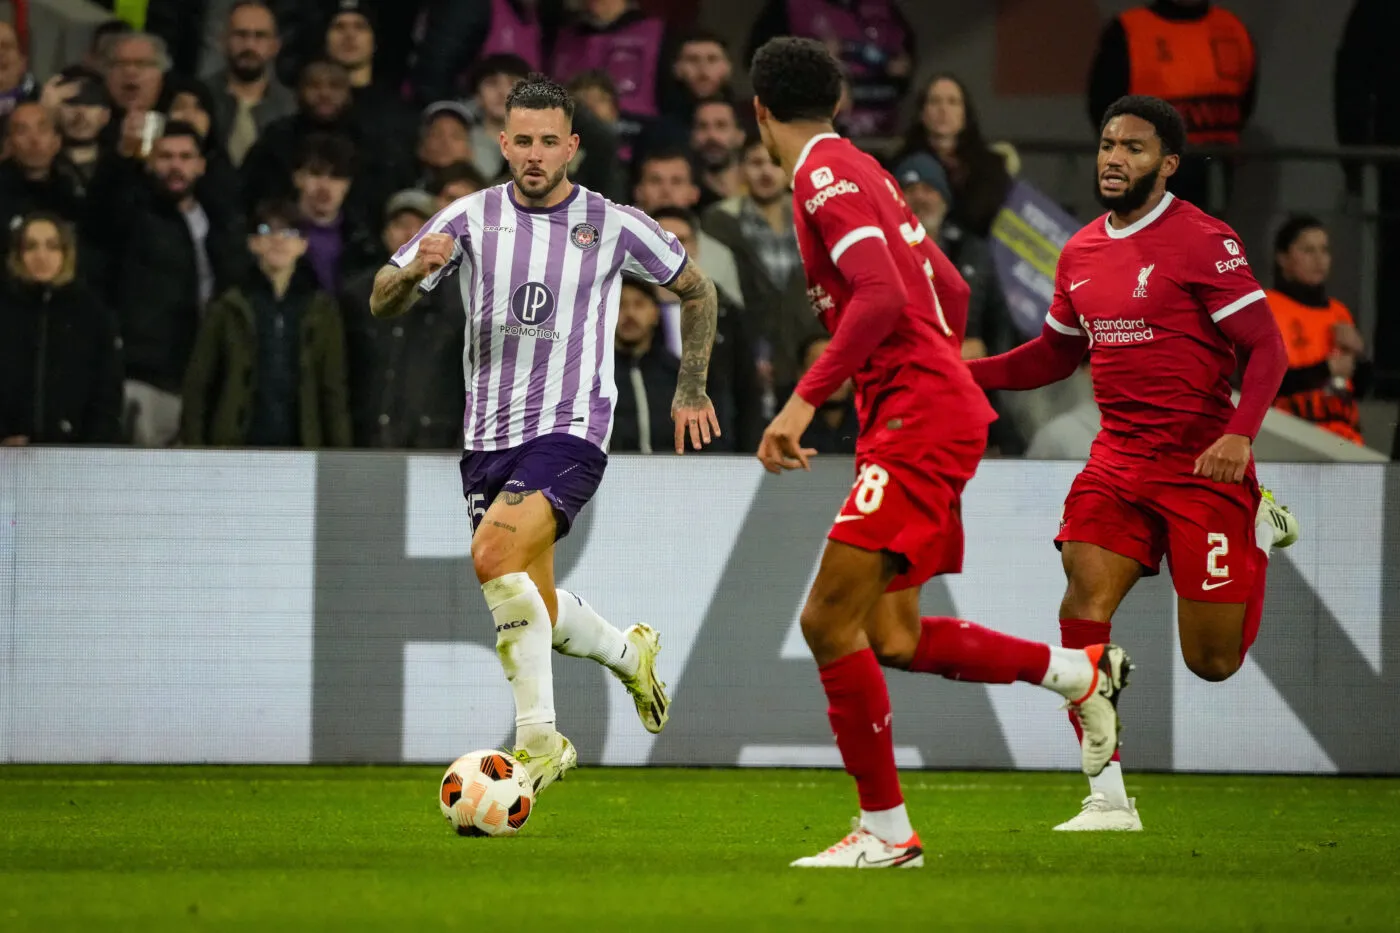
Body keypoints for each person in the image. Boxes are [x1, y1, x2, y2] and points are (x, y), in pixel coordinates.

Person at [749, 37, 1132, 869]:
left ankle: (887, 831)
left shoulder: (820, 175)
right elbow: (949, 290)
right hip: (922, 405)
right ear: (842, 102)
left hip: (916, 413)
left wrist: (803, 401)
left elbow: (884, 293)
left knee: (825, 619)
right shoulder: (868, 170)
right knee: (890, 635)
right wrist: (925, 364)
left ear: (758, 112)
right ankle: (1075, 673)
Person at [368, 74, 723, 794]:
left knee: (492, 553)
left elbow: (697, 288)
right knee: (531, 600)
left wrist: (690, 386)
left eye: (547, 141)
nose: (534, 154)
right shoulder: (466, 217)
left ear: (573, 147)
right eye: (521, 140)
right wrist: (412, 279)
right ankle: (629, 652)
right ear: (502, 142)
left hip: (573, 427)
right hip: (486, 437)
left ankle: (539, 740)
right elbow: (381, 296)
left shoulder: (613, 222)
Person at [965, 95, 1299, 832]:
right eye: (1108, 144)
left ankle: (1260, 531)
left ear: (1168, 163)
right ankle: (1107, 797)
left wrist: (1241, 435)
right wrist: (972, 373)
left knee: (1213, 663)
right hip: (1117, 463)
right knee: (1082, 606)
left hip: (1201, 467)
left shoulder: (1204, 241)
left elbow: (1268, 346)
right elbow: (1056, 352)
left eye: (1134, 148)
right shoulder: (1081, 249)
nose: (1114, 158)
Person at [1087, 0, 1256, 210]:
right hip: (1147, 169)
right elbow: (1103, 103)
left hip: (1214, 170)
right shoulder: (1130, 29)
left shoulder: (1232, 28)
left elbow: (1246, 101)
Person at [0, 212, 123, 446]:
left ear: (66, 253)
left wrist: (92, 445)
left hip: (77, 459)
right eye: (31, 247)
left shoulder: (92, 315)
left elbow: (107, 392)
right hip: (8, 458)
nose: (41, 256)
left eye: (52, 246)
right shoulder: (5, 310)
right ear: (17, 254)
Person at [1266, 216, 1370, 446]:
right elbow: (1261, 380)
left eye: (1324, 250)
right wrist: (1326, 369)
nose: (1319, 259)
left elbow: (1360, 388)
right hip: (1290, 439)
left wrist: (1360, 354)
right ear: (1283, 258)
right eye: (1308, 250)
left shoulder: (1338, 311)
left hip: (1346, 442)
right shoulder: (1267, 307)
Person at [896, 73, 1014, 240]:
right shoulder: (901, 164)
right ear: (922, 113)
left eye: (952, 102)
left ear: (965, 114)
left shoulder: (991, 167)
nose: (943, 109)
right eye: (935, 101)